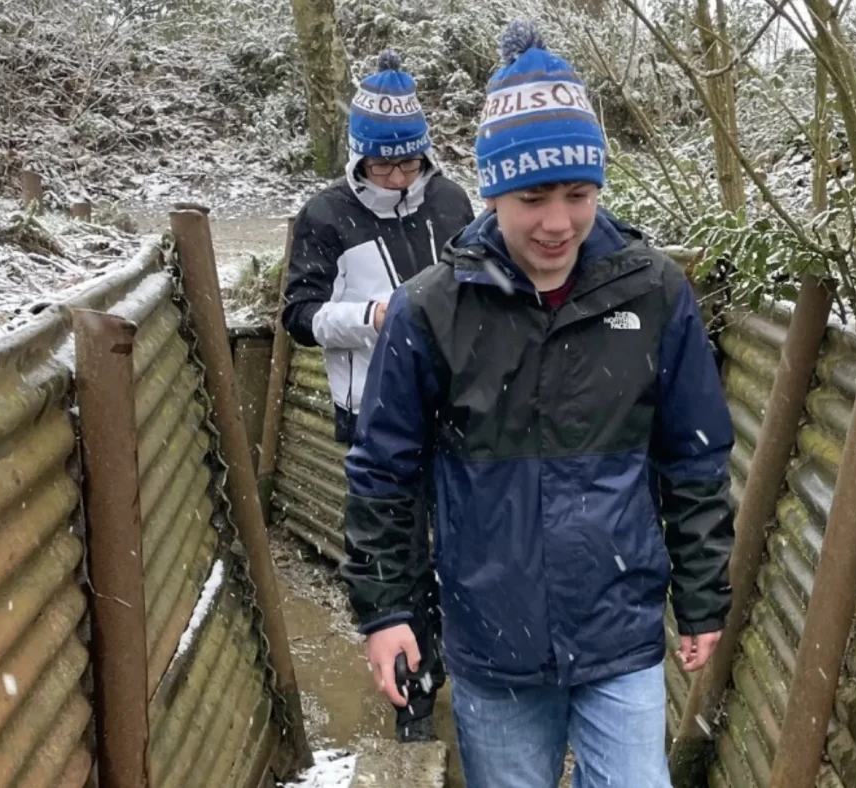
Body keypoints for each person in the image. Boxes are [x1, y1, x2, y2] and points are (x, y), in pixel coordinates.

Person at [340, 20, 735, 787]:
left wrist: (702, 593)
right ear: (490, 190)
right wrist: (388, 612)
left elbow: (693, 454)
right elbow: (383, 476)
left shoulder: (654, 293)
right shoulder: (429, 313)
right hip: (494, 643)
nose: (558, 222)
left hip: (618, 631)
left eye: (579, 194)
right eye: (533, 197)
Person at [281, 48, 474, 744]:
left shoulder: (453, 202)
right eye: (384, 165)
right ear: (359, 158)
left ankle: (456, 665)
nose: (398, 177)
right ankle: (414, 699)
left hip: (456, 410)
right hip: (373, 416)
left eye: (409, 163)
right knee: (401, 556)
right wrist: (369, 320)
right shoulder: (325, 216)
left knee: (464, 545)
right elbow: (298, 316)